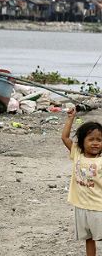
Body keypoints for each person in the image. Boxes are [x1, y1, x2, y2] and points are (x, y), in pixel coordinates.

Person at [61, 108, 102, 256]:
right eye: (91, 139)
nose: (95, 143)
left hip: (99, 208)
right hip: (81, 206)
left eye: (99, 140)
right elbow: (65, 138)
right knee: (89, 238)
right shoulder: (77, 154)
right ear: (82, 142)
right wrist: (70, 118)